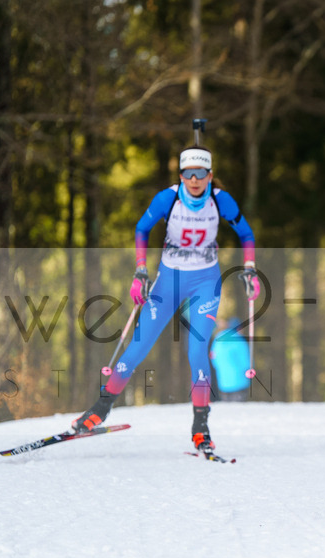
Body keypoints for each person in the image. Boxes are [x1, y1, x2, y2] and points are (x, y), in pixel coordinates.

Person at [70, 144, 259, 456]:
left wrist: (250, 270)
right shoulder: (167, 198)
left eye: (200, 174)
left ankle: (201, 428)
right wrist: (140, 271)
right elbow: (142, 228)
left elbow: (247, 235)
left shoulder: (219, 200)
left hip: (205, 283)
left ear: (210, 175)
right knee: (137, 347)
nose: (194, 179)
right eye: (188, 173)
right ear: (181, 174)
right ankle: (99, 410)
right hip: (168, 281)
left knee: (198, 351)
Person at [210, 318, 252, 401]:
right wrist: (249, 370)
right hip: (239, 381)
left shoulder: (218, 339)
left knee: (227, 409)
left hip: (223, 382)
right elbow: (245, 361)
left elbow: (214, 358)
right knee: (238, 409)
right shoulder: (239, 340)